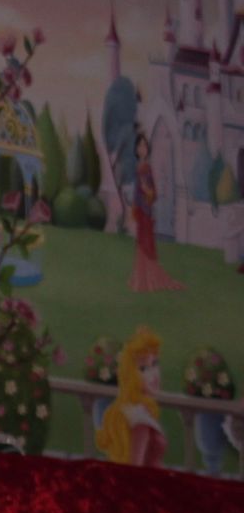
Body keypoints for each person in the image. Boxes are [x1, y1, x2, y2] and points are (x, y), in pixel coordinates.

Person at [96, 325, 167, 467]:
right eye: (143, 368)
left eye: (155, 363)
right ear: (130, 373)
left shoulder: (132, 408)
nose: (153, 375)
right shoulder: (140, 420)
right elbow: (135, 470)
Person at [127, 131, 183, 293]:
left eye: (145, 145)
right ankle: (140, 278)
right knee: (141, 242)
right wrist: (134, 207)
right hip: (140, 212)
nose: (142, 148)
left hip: (146, 212)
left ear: (148, 148)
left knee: (146, 243)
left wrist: (147, 191)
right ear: (136, 149)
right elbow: (137, 192)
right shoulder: (139, 168)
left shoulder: (147, 168)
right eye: (140, 146)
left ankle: (148, 279)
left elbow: (153, 193)